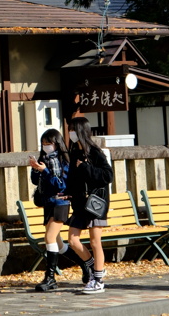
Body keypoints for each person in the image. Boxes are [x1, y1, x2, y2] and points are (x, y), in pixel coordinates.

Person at [65, 116, 114, 294]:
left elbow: (107, 176)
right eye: (69, 129)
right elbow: (73, 179)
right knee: (73, 240)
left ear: (81, 131)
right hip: (80, 204)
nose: (70, 133)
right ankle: (94, 267)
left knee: (95, 242)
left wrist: (86, 167)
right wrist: (67, 192)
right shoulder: (74, 153)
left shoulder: (94, 152)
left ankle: (98, 280)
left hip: (95, 204)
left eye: (73, 129)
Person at [28, 128, 71, 291]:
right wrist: (35, 169)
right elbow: (35, 181)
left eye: (49, 143)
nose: (46, 146)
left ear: (57, 143)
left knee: (50, 237)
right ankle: (86, 264)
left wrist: (45, 171)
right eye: (43, 143)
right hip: (48, 203)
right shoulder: (43, 159)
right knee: (58, 243)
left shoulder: (63, 161)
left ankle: (50, 278)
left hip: (61, 203)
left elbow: (61, 185)